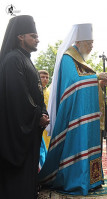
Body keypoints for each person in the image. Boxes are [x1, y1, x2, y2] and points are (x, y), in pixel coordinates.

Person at [38, 23, 107, 195]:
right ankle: (78, 180)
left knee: (88, 143)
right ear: (80, 41)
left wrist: (99, 83)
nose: (92, 46)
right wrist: (96, 77)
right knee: (78, 144)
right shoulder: (68, 57)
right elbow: (74, 84)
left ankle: (92, 179)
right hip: (74, 116)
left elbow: (84, 80)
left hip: (85, 113)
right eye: (90, 43)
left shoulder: (80, 60)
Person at [0, 15, 49, 199]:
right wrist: (37, 115)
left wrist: (42, 111)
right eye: (33, 35)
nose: (37, 39)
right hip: (16, 131)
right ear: (20, 36)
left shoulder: (26, 59)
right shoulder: (13, 59)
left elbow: (36, 93)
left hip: (29, 128)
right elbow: (18, 96)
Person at [38, 70, 51, 149]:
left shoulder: (50, 92)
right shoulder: (35, 91)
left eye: (47, 77)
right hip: (40, 122)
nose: (45, 79)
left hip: (49, 122)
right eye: (42, 77)